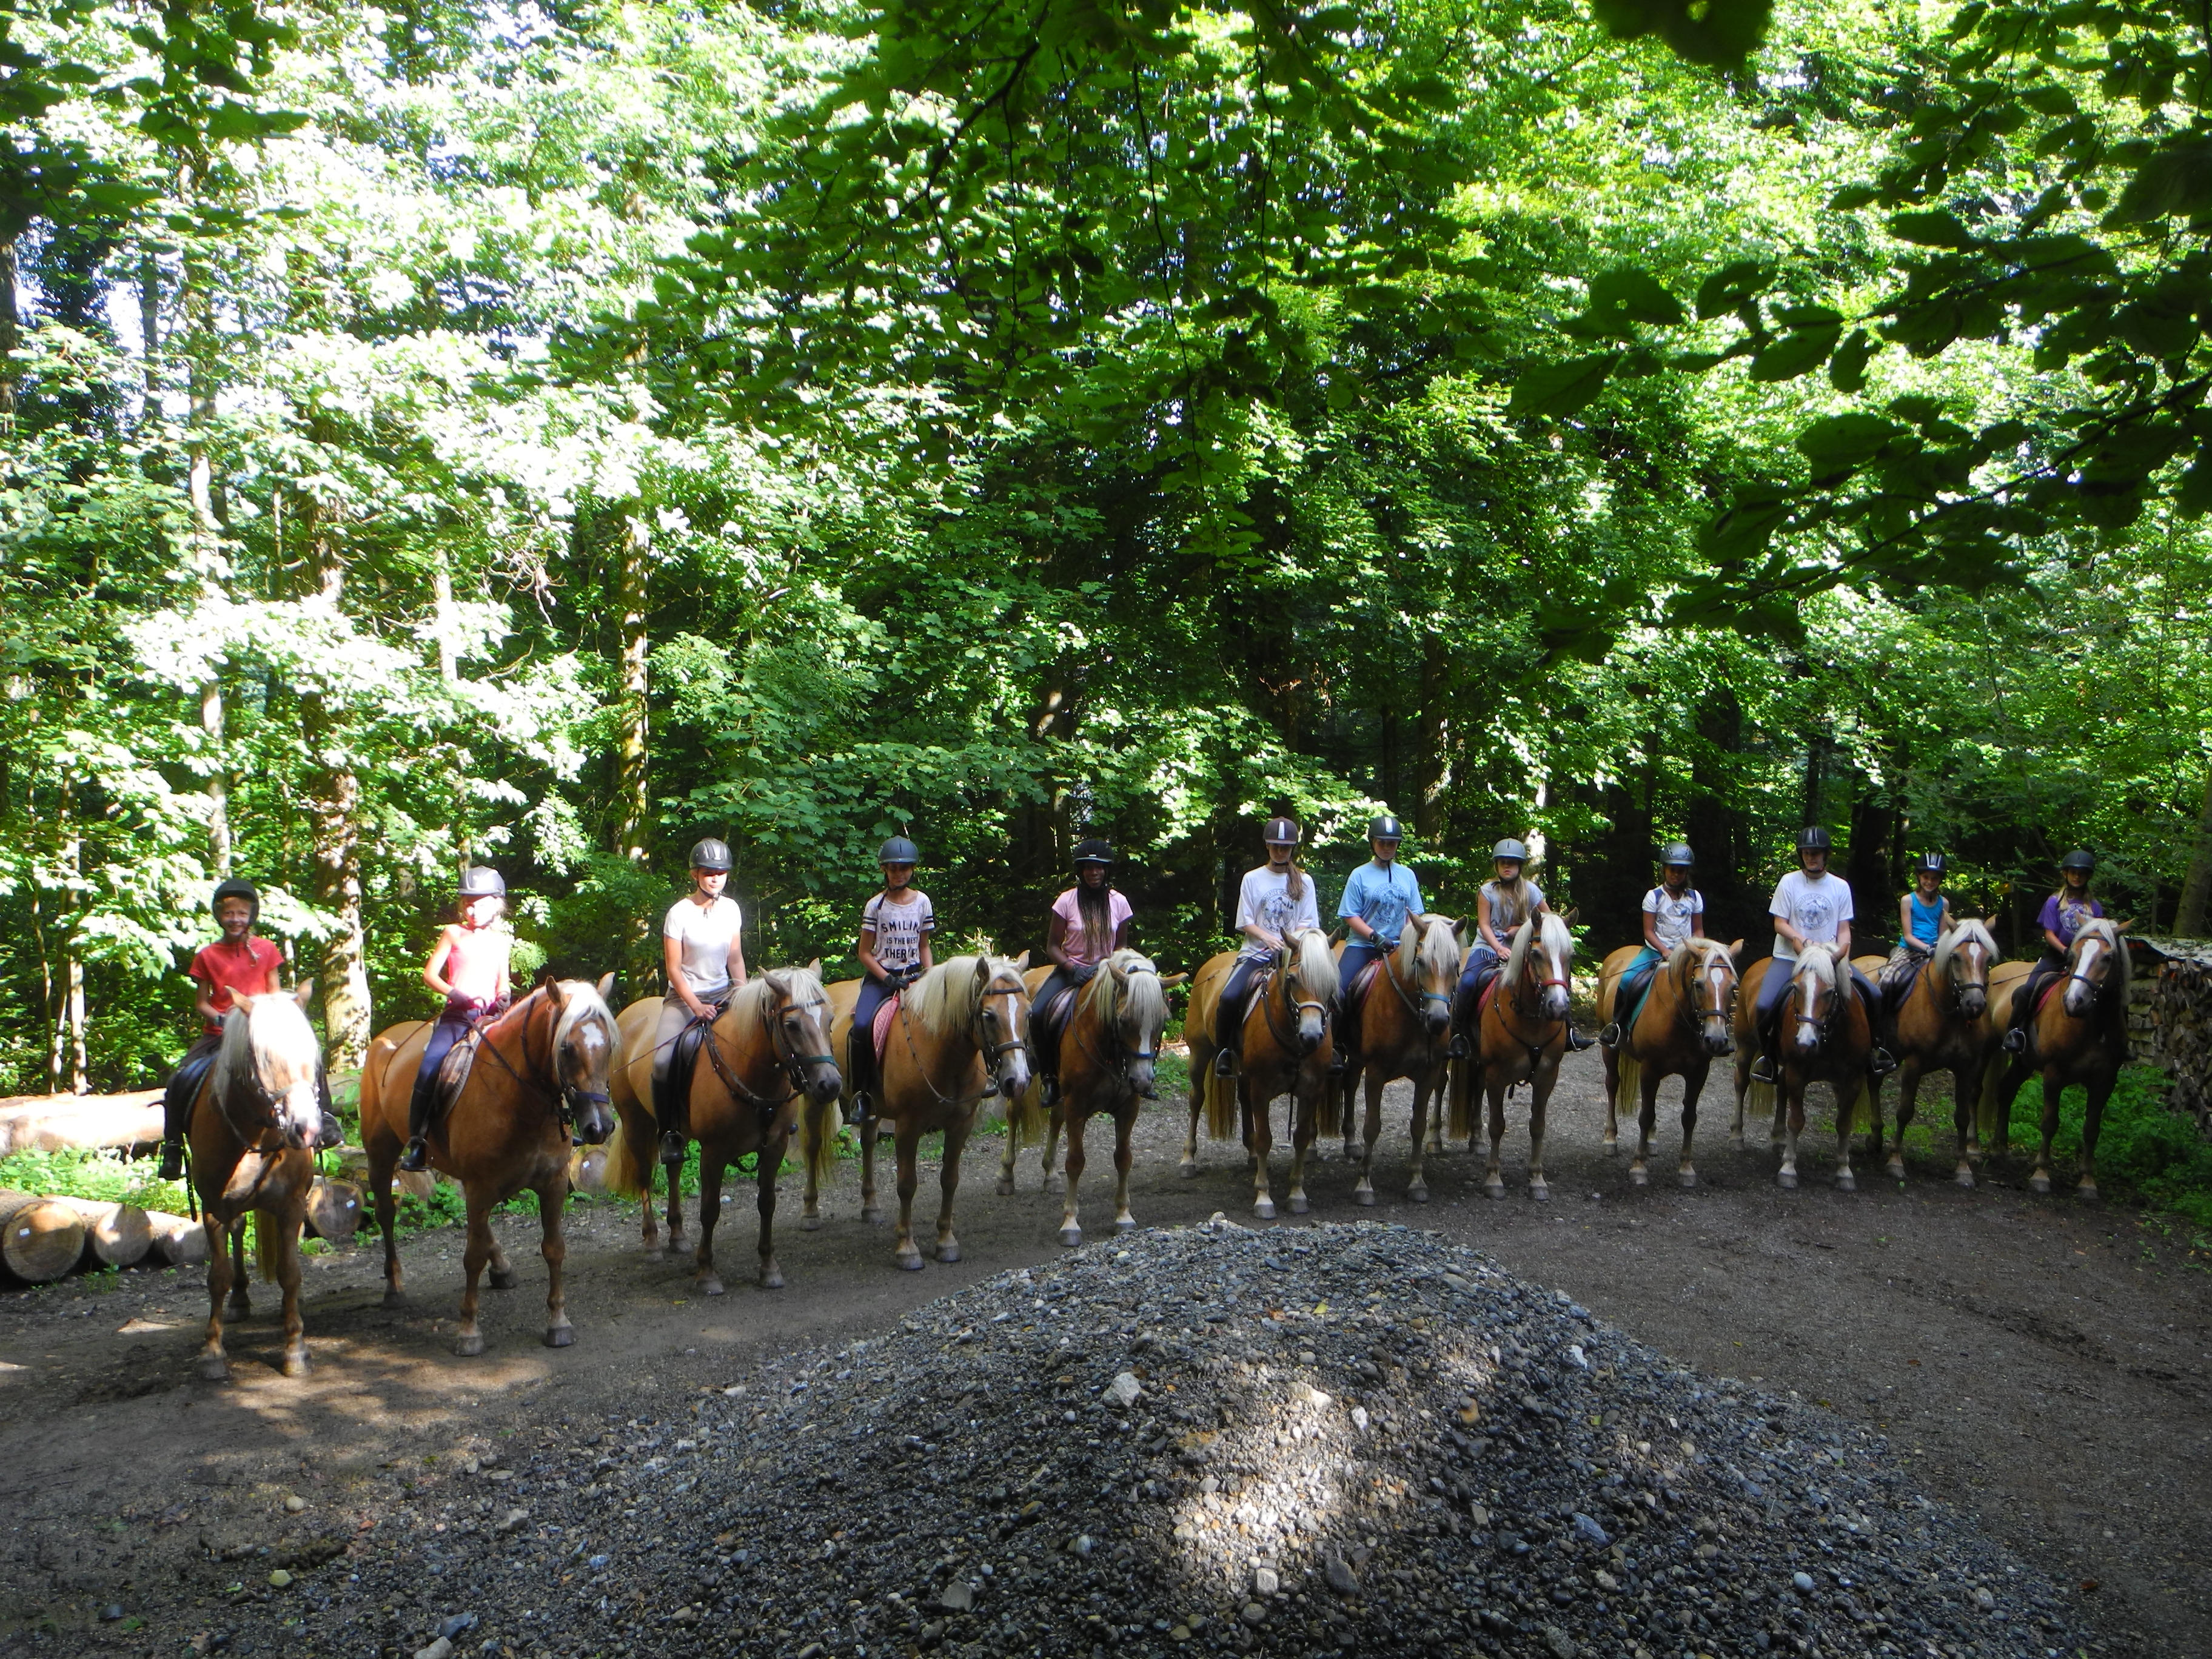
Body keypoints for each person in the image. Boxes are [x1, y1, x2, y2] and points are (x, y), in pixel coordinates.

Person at [158, 879, 285, 1181]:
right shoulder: (207, 955)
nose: (235, 919)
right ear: (219, 916)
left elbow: (275, 992)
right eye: (229, 914)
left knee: (305, 1063)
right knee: (180, 1078)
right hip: (220, 1036)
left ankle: (325, 1120)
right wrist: (220, 1019)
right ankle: (173, 1147)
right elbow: (201, 1002)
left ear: (251, 916)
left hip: (261, 1033)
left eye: (242, 913)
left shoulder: (267, 950)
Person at [1750, 827, 1889, 1081]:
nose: (1810, 858)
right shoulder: (1788, 882)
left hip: (1829, 959)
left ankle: (1873, 1050)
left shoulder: (1840, 886)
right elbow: (1779, 923)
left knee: (1874, 994)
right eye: (1806, 853)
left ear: (1826, 855)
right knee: (1764, 1004)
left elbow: (1844, 929)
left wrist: (1843, 953)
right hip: (1791, 957)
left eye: (1816, 853)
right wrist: (1799, 939)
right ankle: (1768, 1057)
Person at [400, 866, 514, 1172]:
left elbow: (503, 982)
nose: (473, 909)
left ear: (496, 905)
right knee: (429, 1069)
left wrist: (504, 996)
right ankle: (417, 1143)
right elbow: (429, 975)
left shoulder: (501, 942)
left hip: (491, 1020)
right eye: (468, 902)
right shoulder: (453, 933)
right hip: (457, 1018)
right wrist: (456, 992)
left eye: (480, 902)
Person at [652, 837, 748, 1162]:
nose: (715, 878)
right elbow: (674, 969)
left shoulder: (732, 909)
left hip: (725, 994)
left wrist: (744, 993)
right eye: (709, 873)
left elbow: (735, 958)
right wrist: (696, 1006)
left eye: (721, 873)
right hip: (684, 1000)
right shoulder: (679, 913)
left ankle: (767, 1117)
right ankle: (669, 1132)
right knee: (663, 1062)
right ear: (695, 874)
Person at [1213, 817, 1320, 1078]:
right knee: (1229, 997)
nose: (1280, 851)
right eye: (1275, 846)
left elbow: (1309, 922)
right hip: (1257, 952)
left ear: (1293, 848)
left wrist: (1288, 943)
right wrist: (1268, 939)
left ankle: (1332, 1049)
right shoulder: (1252, 879)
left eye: (1285, 847)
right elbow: (1245, 921)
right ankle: (1225, 1052)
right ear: (1267, 846)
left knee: (1329, 994)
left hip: (1295, 956)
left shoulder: (1305, 882)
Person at [1449, 839, 1575, 1057]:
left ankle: (1570, 1029)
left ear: (1520, 867)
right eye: (1503, 863)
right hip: (1488, 946)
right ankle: (1457, 1034)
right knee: (1468, 982)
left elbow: (1549, 918)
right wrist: (1498, 948)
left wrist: (1521, 929)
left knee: (1556, 975)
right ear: (1496, 866)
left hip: (1524, 947)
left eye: (1512, 863)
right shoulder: (1487, 891)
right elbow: (1484, 925)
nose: (1507, 867)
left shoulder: (1532, 891)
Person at [1033, 839, 1134, 1105]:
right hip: (1071, 970)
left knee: (1137, 1011)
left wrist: (1109, 967)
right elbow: (1053, 946)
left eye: (1099, 868)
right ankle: (1050, 1079)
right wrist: (1071, 968)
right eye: (1088, 868)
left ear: (1106, 871)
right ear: (1081, 871)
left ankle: (1137, 1074)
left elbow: (1121, 946)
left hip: (1107, 972)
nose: (1094, 873)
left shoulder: (1119, 902)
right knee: (1038, 1012)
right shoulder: (1066, 901)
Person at [848, 836, 936, 1118]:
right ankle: (861, 1094)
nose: (899, 874)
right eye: (893, 868)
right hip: (881, 978)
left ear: (912, 870)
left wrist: (930, 975)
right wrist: (886, 978)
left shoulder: (922, 902)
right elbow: (864, 953)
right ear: (884, 870)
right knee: (861, 1027)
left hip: (915, 977)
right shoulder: (876, 906)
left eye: (904, 868)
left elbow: (924, 945)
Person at [1336, 814, 1424, 1069]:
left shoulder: (1407, 875)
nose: (1387, 847)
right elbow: (1349, 914)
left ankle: (1430, 1042)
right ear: (1372, 843)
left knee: (1433, 982)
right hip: (1363, 945)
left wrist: (1405, 940)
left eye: (1392, 843)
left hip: (1400, 946)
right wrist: (1374, 936)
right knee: (1339, 991)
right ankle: (1337, 1045)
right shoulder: (1359, 875)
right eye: (1382, 842)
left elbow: (1414, 914)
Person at [1598, 843, 1704, 1049]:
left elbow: (1698, 930)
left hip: (1687, 953)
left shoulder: (1694, 897)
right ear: (1664, 869)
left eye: (1681, 870)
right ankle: (1617, 1025)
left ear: (1686, 872)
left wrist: (1696, 948)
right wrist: (1665, 951)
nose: (1676, 874)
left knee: (1708, 983)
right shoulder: (1654, 896)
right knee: (1628, 979)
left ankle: (1709, 1030)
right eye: (1672, 869)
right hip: (1656, 951)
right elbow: (1648, 931)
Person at [2003, 849, 2106, 1053]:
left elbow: (2099, 936)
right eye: (2073, 872)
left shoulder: (2094, 907)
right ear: (2065, 874)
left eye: (2082, 873)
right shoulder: (2054, 902)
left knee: (2109, 992)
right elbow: (2049, 934)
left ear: (2088, 877)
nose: (2077, 877)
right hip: (2057, 956)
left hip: (2085, 960)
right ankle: (2015, 1032)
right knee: (2028, 990)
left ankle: (2113, 1040)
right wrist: (2065, 949)